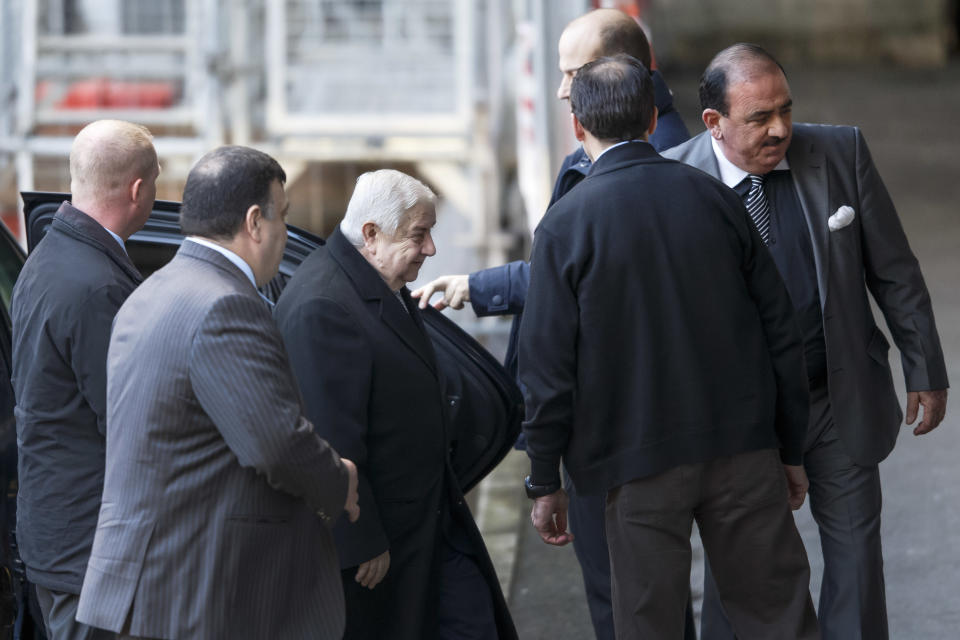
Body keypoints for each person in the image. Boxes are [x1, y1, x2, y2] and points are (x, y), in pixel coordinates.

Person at [411, 10, 693, 639]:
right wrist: (476, 286)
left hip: (625, 423)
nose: (563, 89)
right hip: (633, 421)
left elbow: (580, 285)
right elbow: (568, 267)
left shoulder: (661, 159)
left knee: (630, 597)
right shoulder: (626, 146)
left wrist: (543, 470)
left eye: (572, 73)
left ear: (618, 73)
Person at [520, 54, 820, 639]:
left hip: (632, 462)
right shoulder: (715, 198)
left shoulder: (565, 226)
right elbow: (779, 330)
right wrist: (790, 447)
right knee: (778, 616)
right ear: (653, 119)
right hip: (741, 446)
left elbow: (547, 370)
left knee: (648, 623)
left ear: (578, 128)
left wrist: (543, 478)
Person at [662, 43, 949, 640]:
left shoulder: (839, 151)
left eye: (786, 110)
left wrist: (925, 365)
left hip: (835, 394)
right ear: (714, 123)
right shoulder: (676, 179)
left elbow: (894, 268)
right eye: (759, 118)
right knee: (738, 565)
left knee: (856, 556)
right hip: (742, 419)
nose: (780, 129)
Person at [75, 146, 360, 639]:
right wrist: (339, 479)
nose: (286, 233)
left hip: (151, 587)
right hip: (203, 593)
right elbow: (276, 444)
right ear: (255, 222)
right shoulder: (227, 305)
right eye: (284, 217)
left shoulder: (151, 291)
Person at [274, 169, 517, 640]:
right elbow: (331, 437)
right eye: (418, 235)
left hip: (428, 524)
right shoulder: (323, 305)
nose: (430, 249)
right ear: (371, 234)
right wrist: (361, 541)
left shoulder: (373, 279)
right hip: (385, 544)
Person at [10, 119, 159, 640]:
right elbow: (130, 421)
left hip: (60, 533)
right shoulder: (96, 286)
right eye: (156, 183)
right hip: (91, 549)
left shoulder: (50, 256)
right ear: (139, 190)